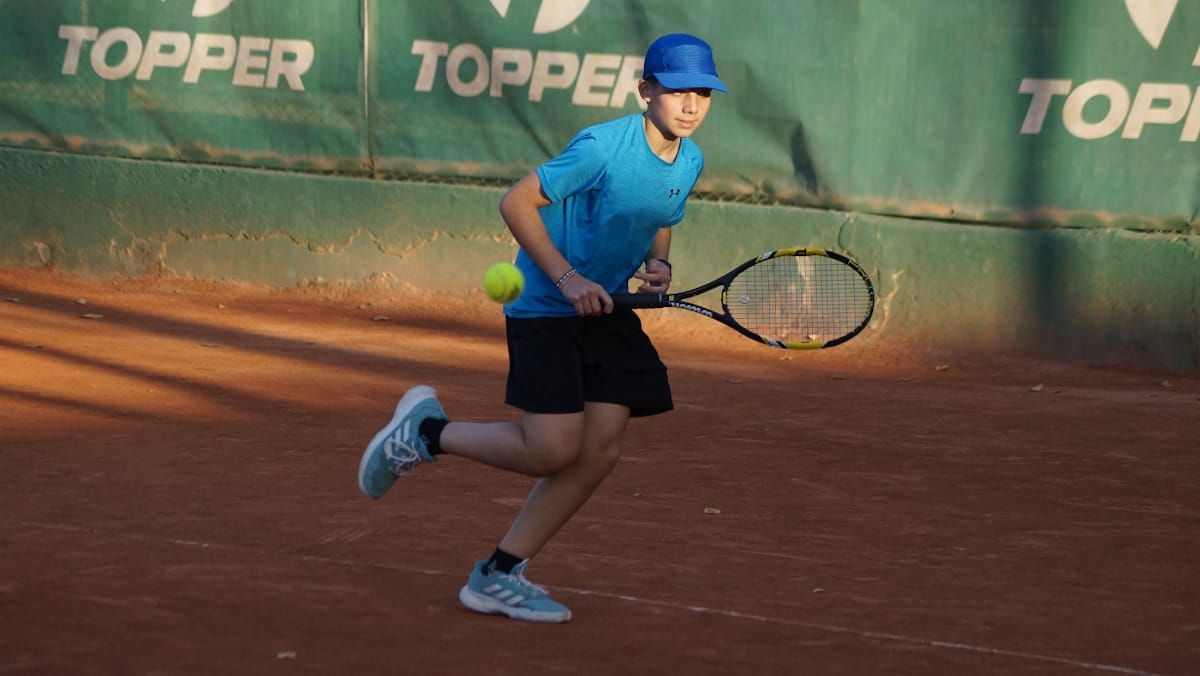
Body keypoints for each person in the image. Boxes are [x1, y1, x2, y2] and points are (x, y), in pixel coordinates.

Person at [357, 33, 727, 623]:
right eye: (676, 89)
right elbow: (515, 202)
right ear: (646, 91)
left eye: (702, 92)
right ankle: (426, 434)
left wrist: (660, 261)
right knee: (550, 451)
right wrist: (567, 279)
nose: (690, 104)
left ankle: (499, 574)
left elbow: (662, 213)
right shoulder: (603, 147)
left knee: (600, 449)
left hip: (607, 310)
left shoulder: (691, 158)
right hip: (548, 307)